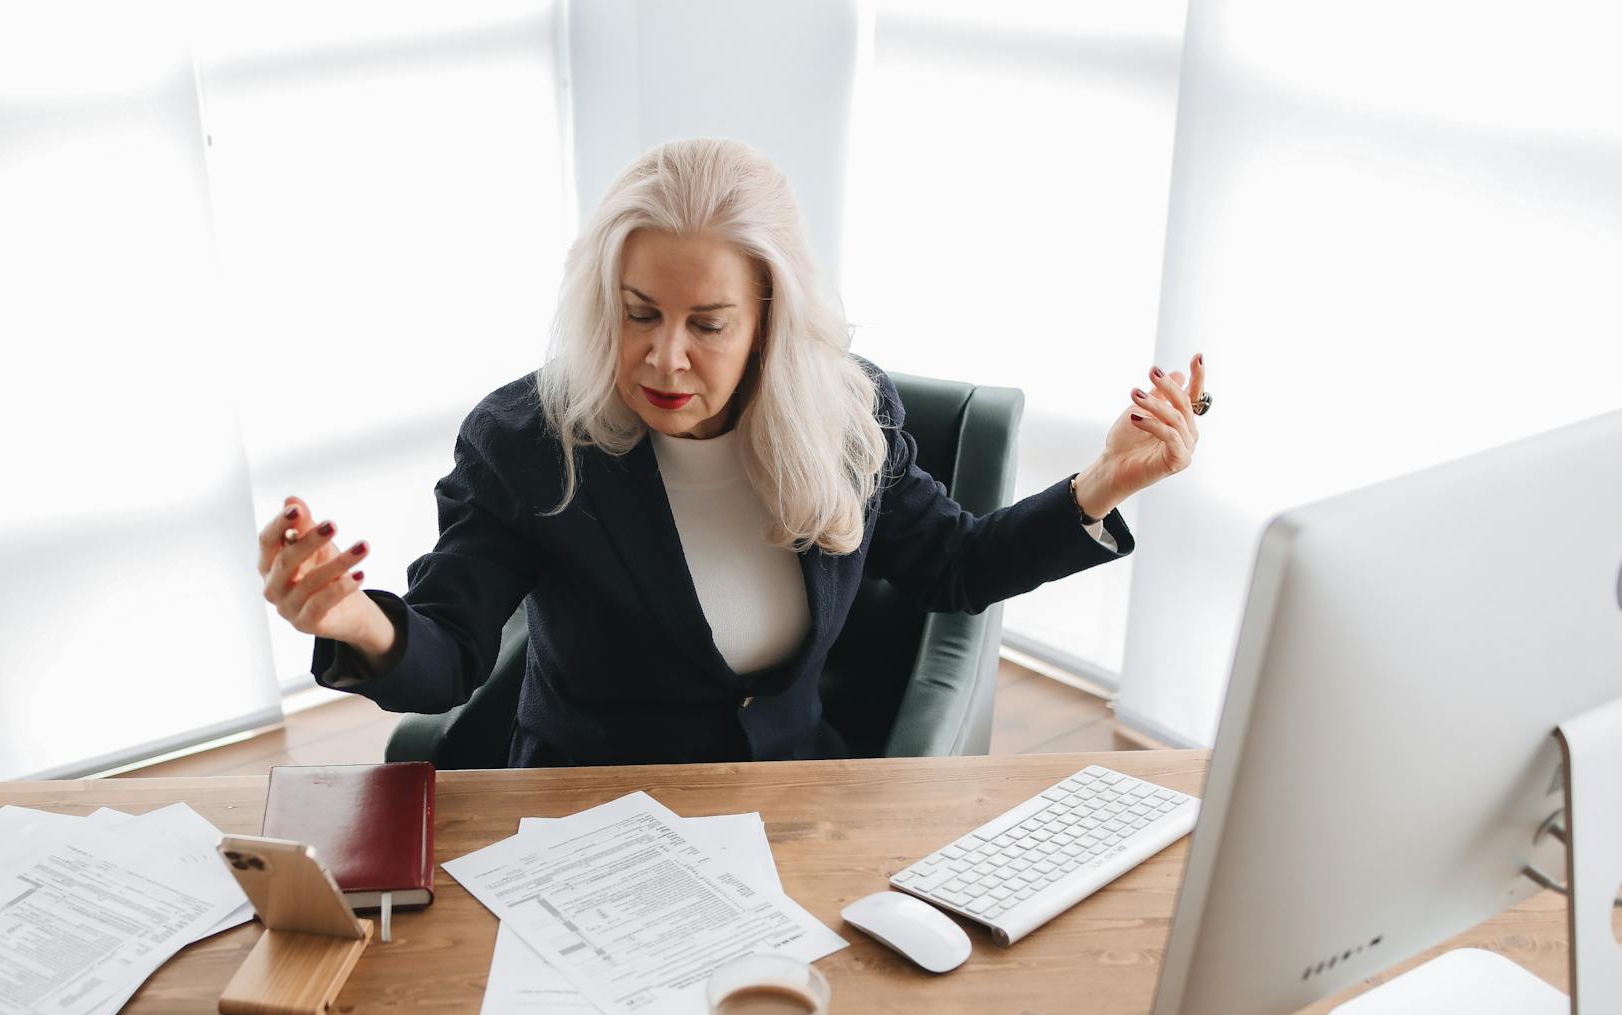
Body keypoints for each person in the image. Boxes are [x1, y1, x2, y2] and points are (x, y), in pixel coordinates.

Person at [256, 138, 1209, 767]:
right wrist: (353, 622)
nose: (664, 356)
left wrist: (1099, 485)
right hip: (586, 816)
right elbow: (452, 655)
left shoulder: (844, 415)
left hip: (789, 799)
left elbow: (955, 567)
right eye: (638, 315)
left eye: (707, 324)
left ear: (767, 323)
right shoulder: (527, 444)